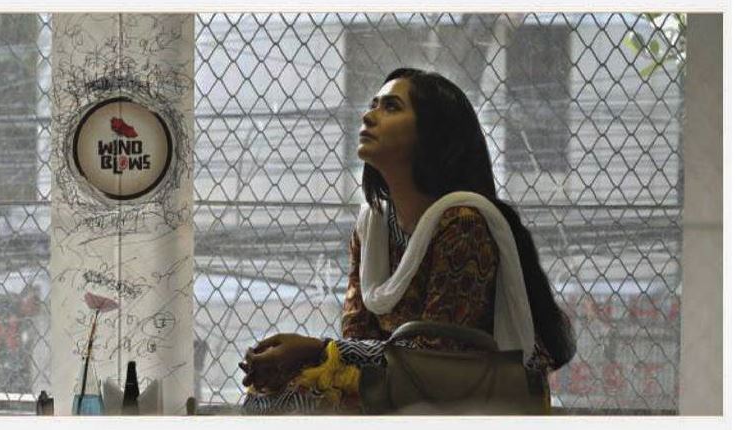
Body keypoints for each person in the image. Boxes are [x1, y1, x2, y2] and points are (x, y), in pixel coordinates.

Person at [239, 68, 576, 414]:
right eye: (373, 105)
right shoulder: (372, 227)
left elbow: (435, 357)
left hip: (465, 400)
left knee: (310, 398)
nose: (369, 116)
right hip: (405, 390)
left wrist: (316, 350)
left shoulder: (463, 223)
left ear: (431, 134)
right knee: (271, 394)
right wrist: (296, 360)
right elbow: (356, 341)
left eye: (391, 107)